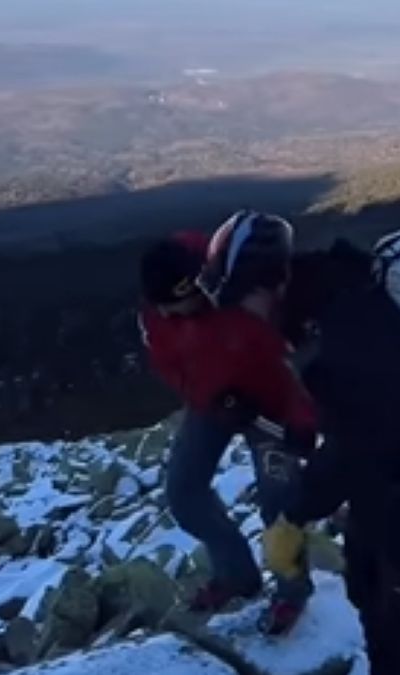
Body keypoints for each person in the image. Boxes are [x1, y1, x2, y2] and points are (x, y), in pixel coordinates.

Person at [263, 238, 400, 675]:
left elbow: (354, 442)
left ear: (270, 289)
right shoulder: (344, 303)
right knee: (366, 586)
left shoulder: (353, 329)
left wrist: (295, 516)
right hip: (390, 474)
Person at [136, 211, 316, 634]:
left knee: (279, 501)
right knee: (184, 492)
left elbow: (301, 365)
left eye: (173, 304)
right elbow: (171, 366)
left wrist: (303, 423)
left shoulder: (248, 291)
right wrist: (213, 400)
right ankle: (237, 575)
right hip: (215, 404)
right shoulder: (160, 306)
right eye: (159, 305)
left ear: (194, 287)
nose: (164, 312)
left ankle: (292, 591)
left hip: (273, 410)